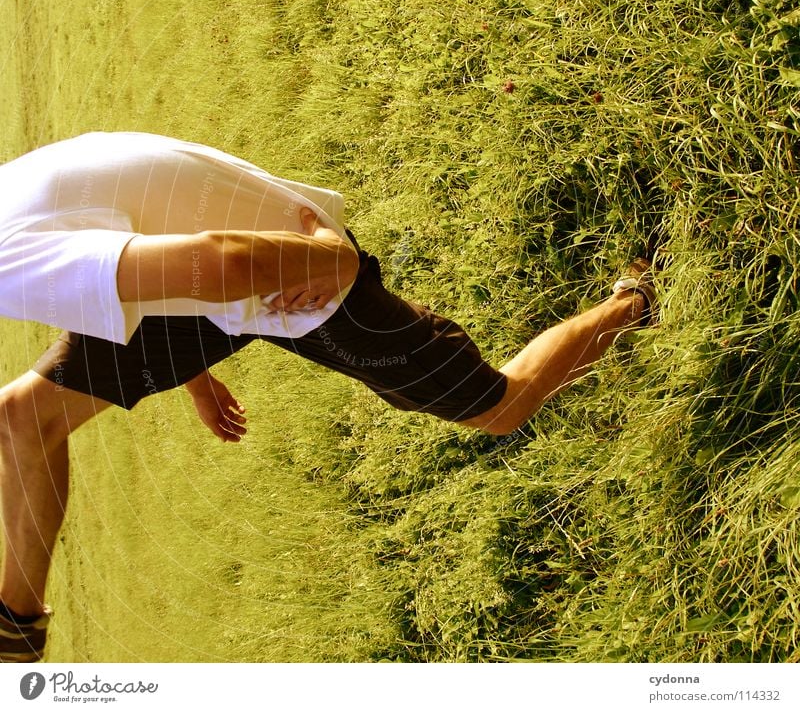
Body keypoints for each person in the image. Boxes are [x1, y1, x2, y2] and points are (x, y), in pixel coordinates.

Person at [0, 132, 655, 662]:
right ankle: (16, 629)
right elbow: (134, 254)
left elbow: (222, 264)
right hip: (223, 276)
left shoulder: (5, 263)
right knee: (21, 417)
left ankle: (635, 300)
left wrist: (333, 262)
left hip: (292, 270)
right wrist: (190, 370)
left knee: (499, 407)